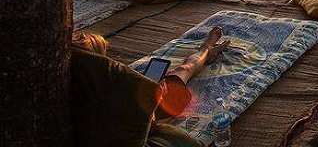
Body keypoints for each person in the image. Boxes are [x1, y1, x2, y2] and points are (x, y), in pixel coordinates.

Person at [71, 28, 230, 146]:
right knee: (184, 70)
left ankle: (206, 49)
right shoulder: (107, 92)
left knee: (182, 70)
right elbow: (148, 122)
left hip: (136, 94)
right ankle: (206, 49)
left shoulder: (89, 77)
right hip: (152, 102)